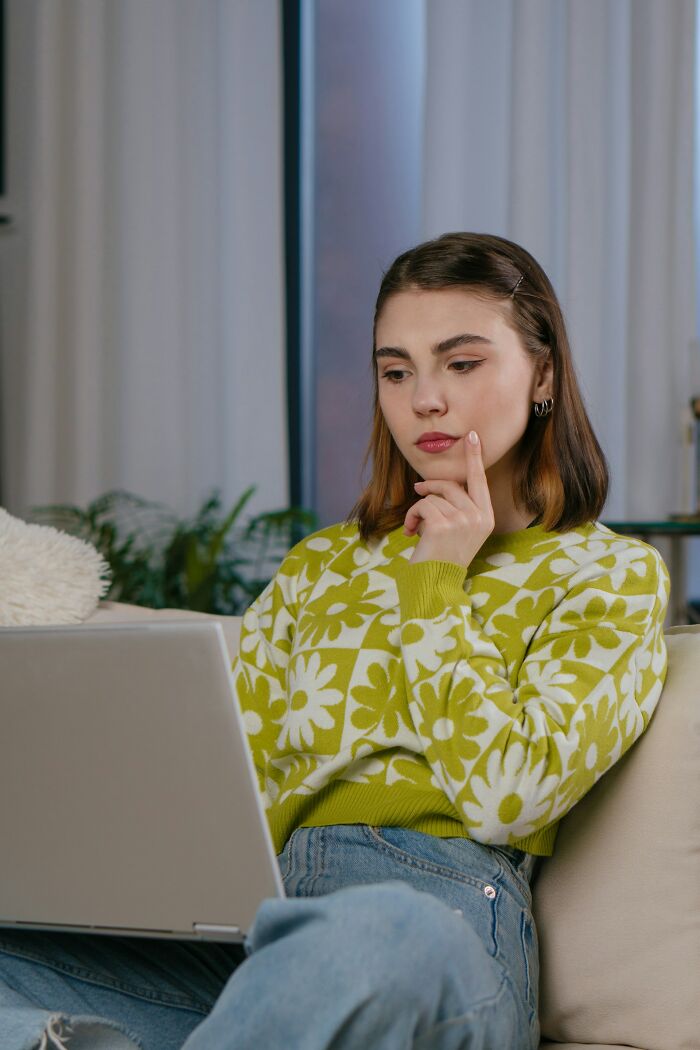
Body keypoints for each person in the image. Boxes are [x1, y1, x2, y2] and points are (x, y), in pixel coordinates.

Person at [0, 232, 669, 1050]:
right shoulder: (322, 565)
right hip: (266, 936)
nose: (425, 398)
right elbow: (227, 776)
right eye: (397, 371)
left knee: (378, 929)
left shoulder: (608, 574)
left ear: (544, 377)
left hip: (441, 925)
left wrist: (436, 581)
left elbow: (510, 792)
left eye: (461, 364)